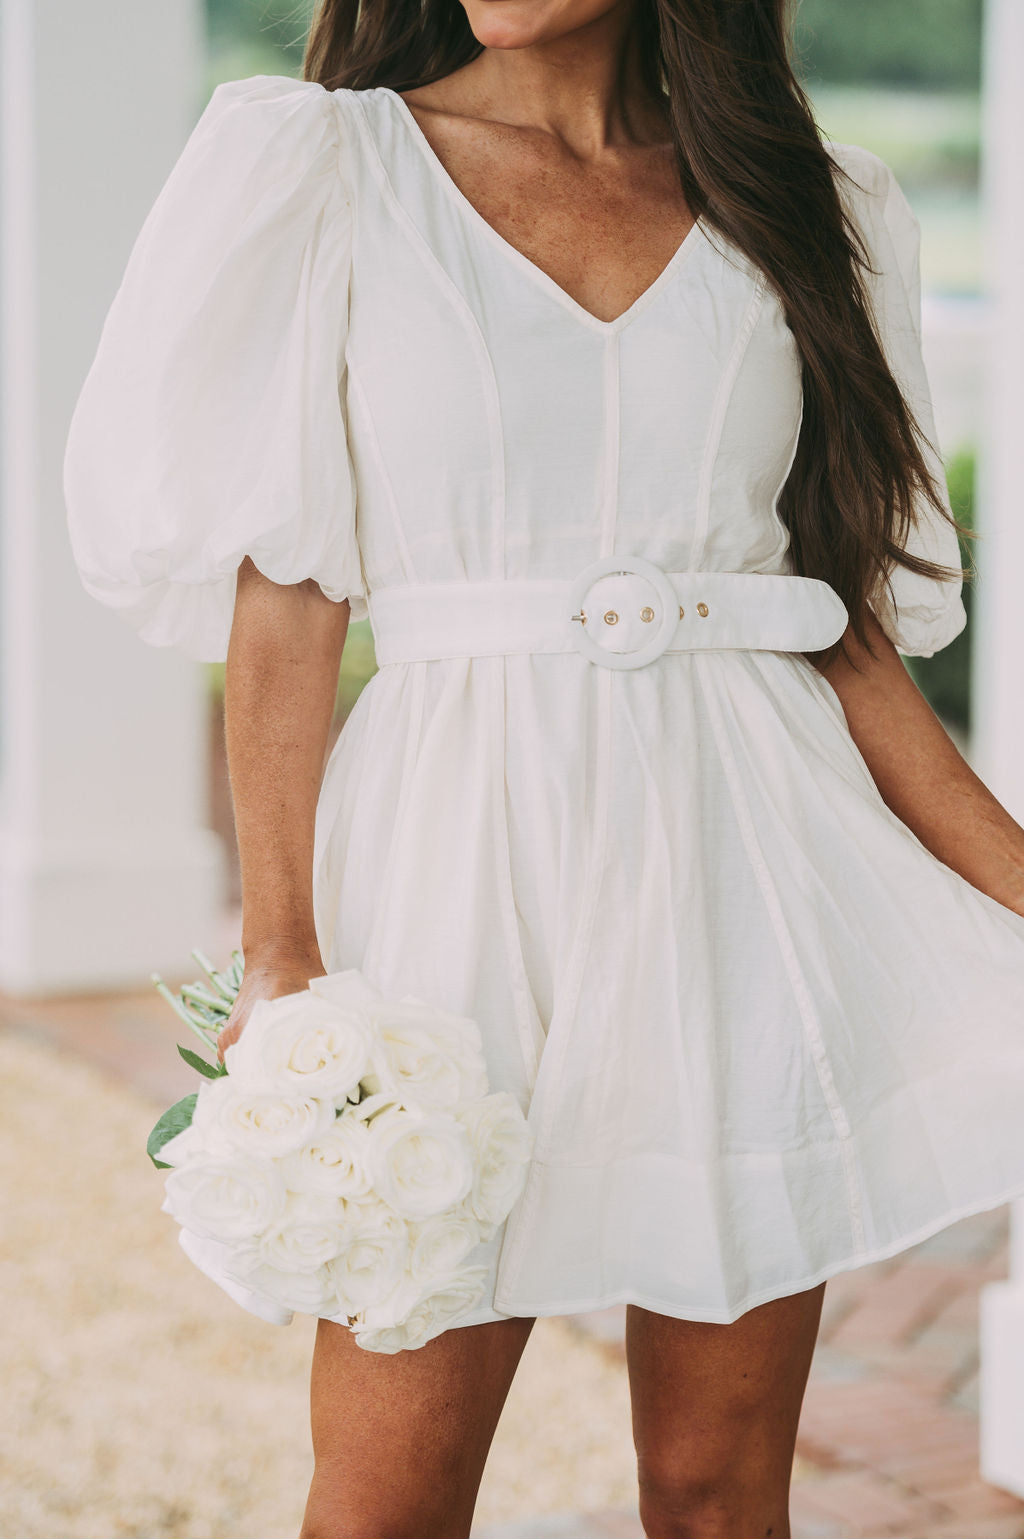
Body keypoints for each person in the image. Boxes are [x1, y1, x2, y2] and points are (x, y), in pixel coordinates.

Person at [62, 0, 1024, 1534]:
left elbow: (848, 635)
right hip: (449, 879)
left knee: (717, 1492)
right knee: (387, 1503)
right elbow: (289, 607)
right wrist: (284, 954)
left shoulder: (814, 204)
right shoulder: (328, 168)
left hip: (746, 879)